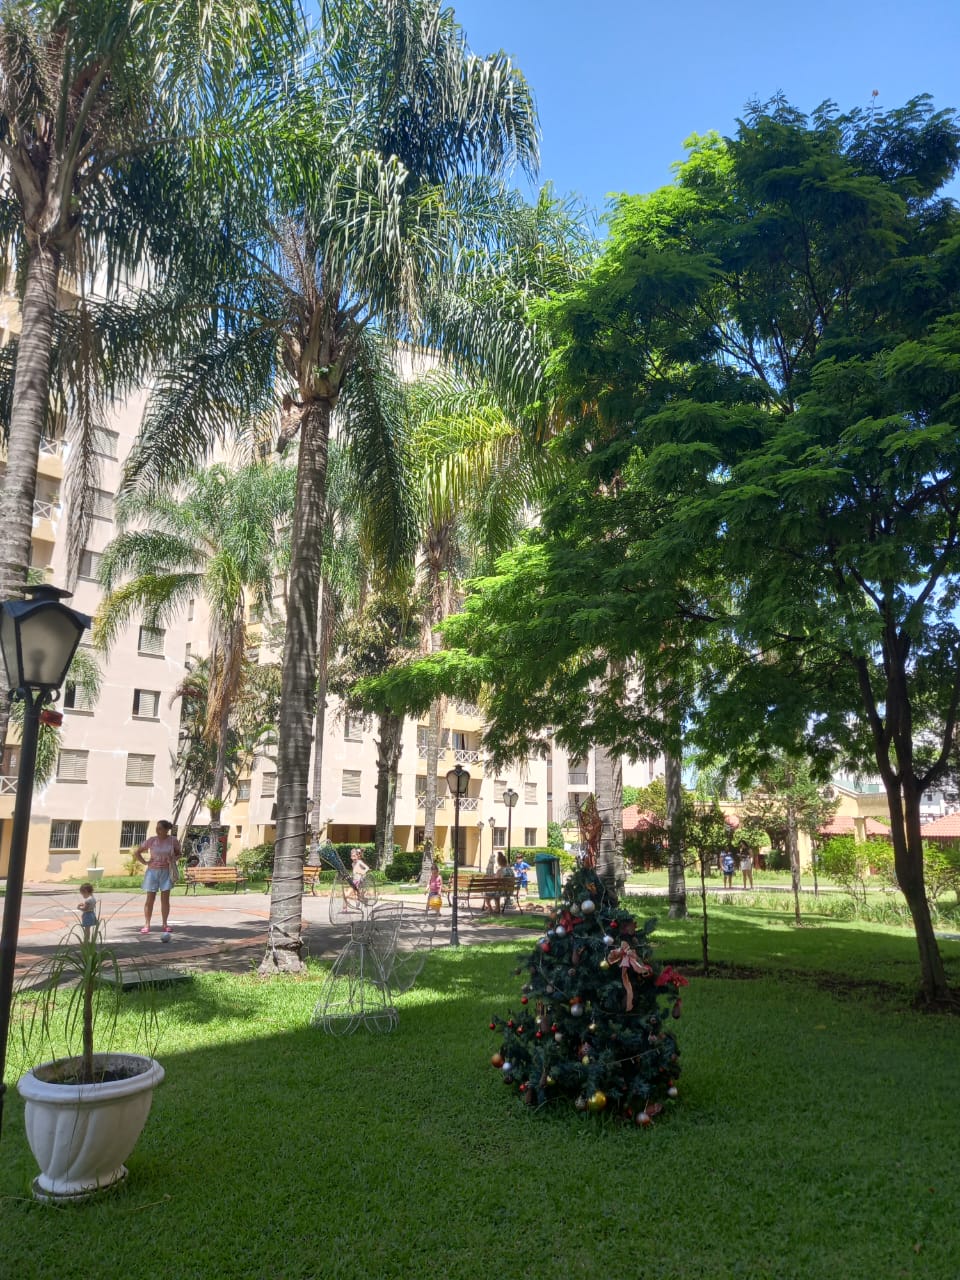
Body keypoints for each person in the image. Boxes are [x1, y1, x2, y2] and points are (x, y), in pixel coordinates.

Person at [134, 820, 181, 934]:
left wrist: (173, 859)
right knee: (150, 899)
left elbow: (179, 853)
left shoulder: (172, 840)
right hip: (152, 872)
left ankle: (165, 924)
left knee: (165, 899)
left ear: (166, 830)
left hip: (166, 872)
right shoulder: (152, 840)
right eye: (157, 828)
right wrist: (145, 862)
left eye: (160, 828)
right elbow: (137, 852)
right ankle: (147, 924)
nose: (157, 830)